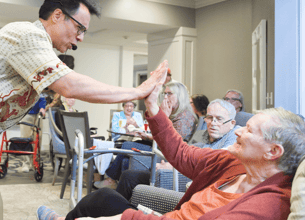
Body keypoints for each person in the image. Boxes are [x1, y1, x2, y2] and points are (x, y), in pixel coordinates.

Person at [0, 0, 169, 220]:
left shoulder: (41, 49)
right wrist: (137, 91)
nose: (80, 38)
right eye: (80, 28)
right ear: (58, 15)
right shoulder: (26, 35)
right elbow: (70, 85)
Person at [37, 83, 305, 220]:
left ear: (273, 151)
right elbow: (182, 154)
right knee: (103, 198)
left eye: (249, 130)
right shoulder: (232, 162)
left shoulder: (270, 202)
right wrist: (153, 107)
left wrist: (126, 218)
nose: (237, 131)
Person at [116, 99, 241, 200]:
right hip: (176, 168)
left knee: (129, 177)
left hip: (186, 179)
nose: (213, 123)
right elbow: (188, 149)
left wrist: (173, 167)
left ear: (232, 123)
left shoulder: (235, 135)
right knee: (128, 174)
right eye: (209, 118)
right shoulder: (206, 135)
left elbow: (216, 161)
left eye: (219, 119)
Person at [94, 81, 197, 189]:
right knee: (126, 158)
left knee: (126, 145)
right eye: (164, 94)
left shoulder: (184, 117)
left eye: (169, 94)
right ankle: (116, 184)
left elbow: (170, 142)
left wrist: (161, 120)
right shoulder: (176, 113)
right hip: (160, 147)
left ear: (179, 96)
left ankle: (110, 179)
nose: (165, 97)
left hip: (163, 154)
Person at [17, 95, 47, 173]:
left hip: (38, 114)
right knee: (25, 138)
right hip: (26, 112)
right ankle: (26, 163)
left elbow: (42, 96)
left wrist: (42, 107)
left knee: (38, 138)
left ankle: (35, 162)